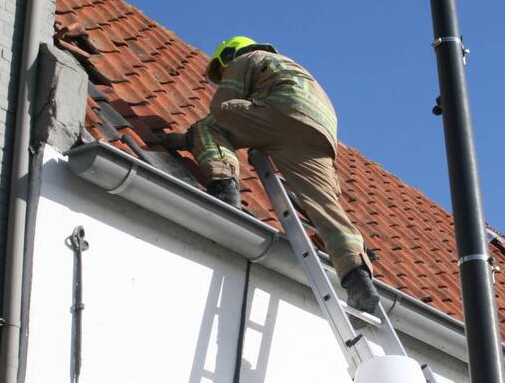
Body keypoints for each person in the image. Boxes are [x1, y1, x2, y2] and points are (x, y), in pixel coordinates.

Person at [162, 36, 380, 313]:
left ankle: (224, 188)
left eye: (222, 71)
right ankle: (358, 276)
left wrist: (186, 139)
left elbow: (223, 106)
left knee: (208, 125)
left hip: (281, 112)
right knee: (324, 206)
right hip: (320, 132)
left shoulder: (247, 59)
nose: (223, 76)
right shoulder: (294, 69)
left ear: (230, 55)